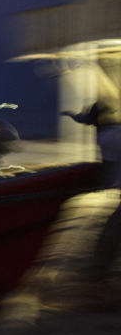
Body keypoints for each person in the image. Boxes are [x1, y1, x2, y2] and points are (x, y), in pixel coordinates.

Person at [63, 101, 121, 282]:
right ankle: (100, 271)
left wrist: (95, 185)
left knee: (112, 231)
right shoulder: (114, 130)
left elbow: (108, 168)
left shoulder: (108, 137)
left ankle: (97, 273)